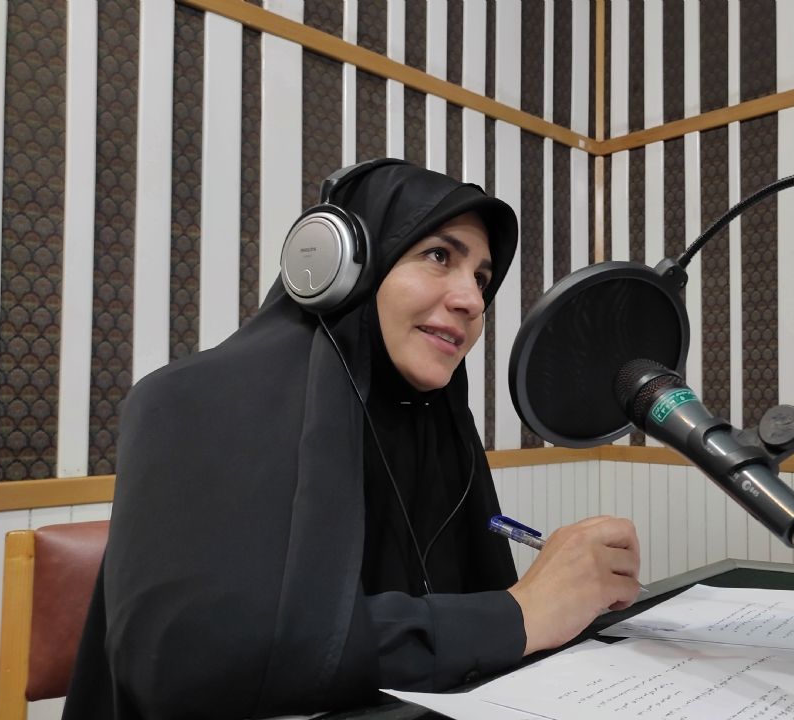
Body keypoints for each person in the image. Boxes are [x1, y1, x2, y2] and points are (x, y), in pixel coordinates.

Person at [63, 159, 641, 719]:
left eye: (482, 278)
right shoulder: (189, 400)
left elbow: (487, 621)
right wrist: (515, 616)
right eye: (439, 256)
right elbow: (185, 663)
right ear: (340, 266)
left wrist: (571, 593)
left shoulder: (438, 426)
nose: (472, 300)